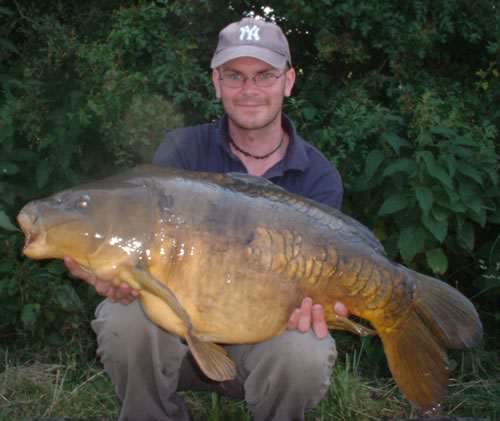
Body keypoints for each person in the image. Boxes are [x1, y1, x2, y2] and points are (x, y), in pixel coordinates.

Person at [65, 17, 348, 421]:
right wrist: (118, 275)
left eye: (264, 75)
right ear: (216, 82)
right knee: (122, 319)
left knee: (306, 348)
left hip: (265, 342)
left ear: (288, 81)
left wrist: (321, 305)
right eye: (235, 76)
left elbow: (324, 284)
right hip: (178, 340)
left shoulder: (318, 176)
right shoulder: (182, 152)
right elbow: (139, 247)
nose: (249, 90)